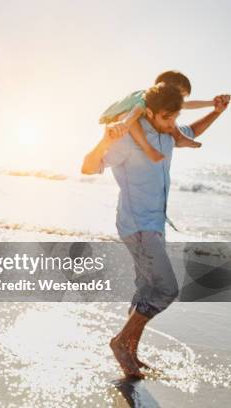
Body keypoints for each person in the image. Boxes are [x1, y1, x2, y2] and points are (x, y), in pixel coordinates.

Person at [82, 82, 229, 379]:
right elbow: (88, 167)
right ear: (149, 112)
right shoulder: (128, 139)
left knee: (147, 290)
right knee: (166, 289)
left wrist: (217, 111)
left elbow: (193, 132)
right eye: (166, 118)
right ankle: (120, 344)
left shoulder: (166, 134)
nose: (172, 125)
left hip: (154, 226)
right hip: (137, 227)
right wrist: (103, 140)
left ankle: (131, 353)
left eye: (174, 118)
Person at [100, 70, 221, 162]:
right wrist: (125, 124)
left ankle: (179, 137)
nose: (181, 100)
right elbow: (135, 112)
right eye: (180, 95)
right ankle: (148, 149)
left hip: (131, 115)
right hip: (116, 116)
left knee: (168, 114)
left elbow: (188, 104)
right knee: (128, 117)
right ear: (165, 89)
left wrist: (212, 103)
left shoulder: (163, 101)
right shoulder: (147, 97)